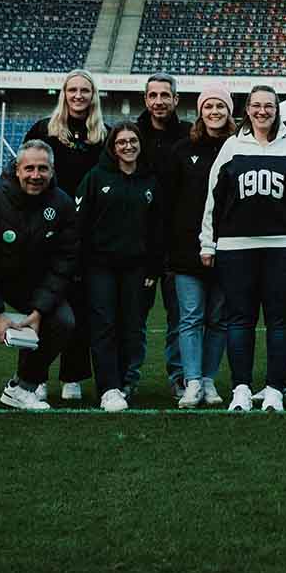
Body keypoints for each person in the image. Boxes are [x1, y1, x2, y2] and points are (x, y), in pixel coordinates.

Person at [200, 84, 286, 413]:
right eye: (256, 105)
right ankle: (240, 388)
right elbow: (213, 199)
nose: (263, 111)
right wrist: (208, 242)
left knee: (281, 321)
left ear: (277, 109)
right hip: (237, 247)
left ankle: (276, 389)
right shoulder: (231, 147)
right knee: (240, 320)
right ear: (247, 110)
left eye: (269, 105)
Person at [0, 139, 77, 413]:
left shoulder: (63, 205)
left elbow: (64, 262)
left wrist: (40, 310)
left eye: (43, 169)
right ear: (16, 169)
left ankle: (23, 388)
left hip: (26, 275)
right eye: (29, 168)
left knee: (63, 320)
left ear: (52, 171)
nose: (35, 175)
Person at [25, 69, 105, 403]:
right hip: (46, 232)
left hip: (87, 235)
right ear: (64, 93)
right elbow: (24, 175)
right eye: (72, 90)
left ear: (93, 95)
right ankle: (36, 375)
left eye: (84, 90)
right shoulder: (43, 130)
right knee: (41, 307)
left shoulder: (103, 135)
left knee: (81, 309)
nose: (78, 96)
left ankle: (73, 376)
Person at [76, 122, 165, 413]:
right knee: (104, 326)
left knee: (132, 327)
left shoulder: (151, 180)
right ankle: (108, 388)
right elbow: (80, 224)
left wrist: (153, 270)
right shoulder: (96, 177)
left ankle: (125, 380)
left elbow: (157, 231)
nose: (128, 146)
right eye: (121, 142)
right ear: (113, 147)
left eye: (133, 140)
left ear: (140, 143)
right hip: (100, 267)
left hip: (137, 269)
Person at [165, 82, 235, 408]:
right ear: (199, 110)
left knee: (218, 318)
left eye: (220, 106)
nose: (215, 111)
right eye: (209, 106)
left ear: (229, 111)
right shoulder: (182, 150)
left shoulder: (238, 148)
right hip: (186, 250)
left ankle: (208, 379)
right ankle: (191, 381)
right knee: (190, 316)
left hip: (227, 248)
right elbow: (171, 202)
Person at [132, 73, 190, 402]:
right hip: (137, 245)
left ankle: (179, 376)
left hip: (176, 245)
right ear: (145, 99)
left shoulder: (186, 135)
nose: (158, 102)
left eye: (165, 96)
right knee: (132, 318)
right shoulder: (128, 134)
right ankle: (127, 377)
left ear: (175, 100)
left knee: (179, 318)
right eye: (153, 95)